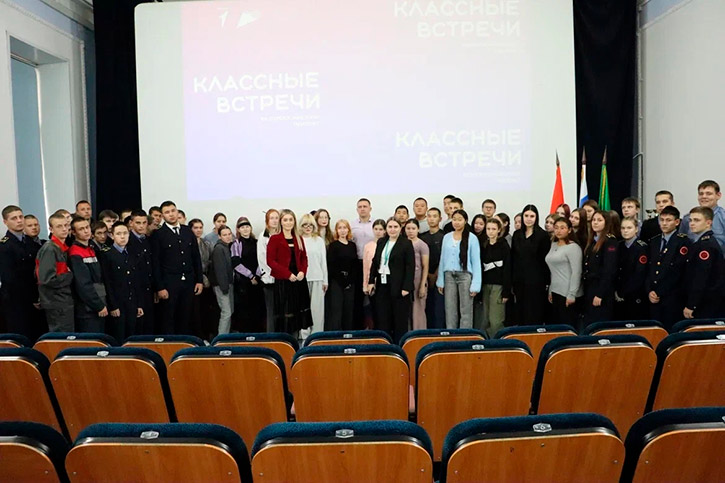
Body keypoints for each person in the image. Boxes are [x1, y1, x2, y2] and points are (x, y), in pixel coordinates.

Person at [151, 201, 203, 334]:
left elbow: (196, 257)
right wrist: (160, 287)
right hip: (169, 283)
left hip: (189, 281)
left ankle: (185, 343)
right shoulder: (158, 235)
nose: (171, 214)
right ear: (162, 216)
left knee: (186, 316)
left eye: (173, 211)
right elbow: (155, 263)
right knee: (169, 317)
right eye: (167, 212)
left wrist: (199, 280)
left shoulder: (187, 231)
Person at [368, 217, 415, 342]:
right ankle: (385, 344)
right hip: (382, 283)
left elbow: (410, 267)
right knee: (383, 317)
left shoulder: (406, 243)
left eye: (395, 227)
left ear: (400, 228)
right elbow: (375, 262)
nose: (392, 229)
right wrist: (371, 281)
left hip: (399, 286)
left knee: (399, 319)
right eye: (390, 227)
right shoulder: (381, 242)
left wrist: (407, 287)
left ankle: (399, 345)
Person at [267, 209, 313, 336]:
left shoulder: (298, 238)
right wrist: (287, 274)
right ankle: (286, 341)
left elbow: (304, 258)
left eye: (291, 220)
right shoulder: (275, 239)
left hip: (298, 280)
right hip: (284, 281)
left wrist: (303, 271)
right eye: (285, 220)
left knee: (299, 315)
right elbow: (270, 261)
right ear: (281, 222)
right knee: (287, 316)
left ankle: (297, 341)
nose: (288, 222)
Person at [0, 205, 43, 339]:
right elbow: (9, 278)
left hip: (35, 298)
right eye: (14, 218)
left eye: (21, 217)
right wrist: (31, 297)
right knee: (22, 336)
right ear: (5, 222)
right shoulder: (5, 246)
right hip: (16, 301)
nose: (19, 220)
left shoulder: (30, 242)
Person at [646, 206, 690, 329]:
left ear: (677, 222)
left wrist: (659, 292)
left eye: (668, 220)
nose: (664, 223)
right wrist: (649, 290)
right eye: (662, 220)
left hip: (672, 296)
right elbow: (650, 269)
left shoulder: (683, 242)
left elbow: (677, 271)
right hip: (653, 296)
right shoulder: (654, 241)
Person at [437, 209, 481, 329]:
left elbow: (476, 262)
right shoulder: (447, 237)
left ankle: (465, 335)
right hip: (449, 275)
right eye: (454, 219)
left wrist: (476, 285)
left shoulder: (472, 238)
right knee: (450, 309)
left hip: (465, 275)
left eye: (460, 220)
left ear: (465, 221)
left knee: (466, 309)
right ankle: (451, 335)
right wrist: (440, 280)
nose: (456, 222)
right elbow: (442, 259)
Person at [100, 222, 143, 341]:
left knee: (132, 336)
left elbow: (136, 281)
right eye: (119, 234)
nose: (122, 237)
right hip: (118, 303)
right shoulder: (107, 255)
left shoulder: (132, 254)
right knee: (119, 335)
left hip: (132, 302)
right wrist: (113, 306)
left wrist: (139, 304)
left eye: (125, 233)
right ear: (112, 236)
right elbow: (108, 282)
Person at [511, 204, 550, 325]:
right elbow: (514, 258)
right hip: (519, 281)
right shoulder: (517, 234)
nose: (529, 219)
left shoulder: (543, 235)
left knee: (534, 312)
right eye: (526, 216)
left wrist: (546, 282)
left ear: (536, 217)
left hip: (536, 282)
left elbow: (545, 261)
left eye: (532, 216)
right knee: (520, 312)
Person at [683, 207, 724, 318]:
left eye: (697, 220)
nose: (692, 223)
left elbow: (701, 277)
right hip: (705, 300)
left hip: (705, 302)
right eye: (690, 220)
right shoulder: (701, 243)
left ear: (708, 223)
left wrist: (692, 304)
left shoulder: (706, 245)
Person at [68, 216, 108, 333]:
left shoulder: (90, 248)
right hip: (88, 309)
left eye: (87, 227)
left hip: (99, 300)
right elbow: (83, 284)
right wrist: (98, 305)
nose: (86, 231)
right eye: (81, 229)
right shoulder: (75, 252)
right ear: (74, 232)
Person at [36, 212, 74, 332]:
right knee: (62, 336)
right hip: (56, 302)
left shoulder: (62, 247)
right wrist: (69, 275)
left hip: (63, 300)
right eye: (59, 226)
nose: (64, 229)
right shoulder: (50, 249)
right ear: (51, 229)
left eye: (66, 225)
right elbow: (46, 279)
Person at [582, 211, 619, 328]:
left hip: (601, 290)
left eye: (599, 220)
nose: (595, 223)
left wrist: (600, 294)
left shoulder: (610, 241)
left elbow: (609, 270)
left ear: (606, 223)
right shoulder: (592, 241)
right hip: (590, 287)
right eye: (594, 220)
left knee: (599, 325)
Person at [545, 216, 582, 328]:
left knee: (567, 326)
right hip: (555, 291)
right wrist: (551, 290)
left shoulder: (573, 247)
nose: (558, 231)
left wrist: (572, 294)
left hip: (567, 293)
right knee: (557, 326)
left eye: (562, 228)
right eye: (556, 228)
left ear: (569, 230)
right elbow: (553, 271)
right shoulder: (553, 244)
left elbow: (576, 272)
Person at [230, 217, 265, 333]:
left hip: (257, 280)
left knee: (258, 309)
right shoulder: (236, 244)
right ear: (238, 230)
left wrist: (257, 276)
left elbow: (261, 260)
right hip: (243, 282)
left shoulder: (257, 242)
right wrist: (250, 276)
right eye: (242, 227)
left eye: (247, 226)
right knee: (244, 310)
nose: (245, 229)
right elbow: (236, 263)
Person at [479, 218, 511, 336]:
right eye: (488, 229)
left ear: (499, 230)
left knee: (496, 319)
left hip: (498, 285)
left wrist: (506, 291)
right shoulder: (484, 245)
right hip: (486, 284)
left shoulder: (503, 245)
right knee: (485, 317)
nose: (490, 231)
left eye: (493, 229)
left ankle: (497, 341)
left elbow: (507, 268)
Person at [615, 216, 649, 321]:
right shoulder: (619, 246)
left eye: (629, 228)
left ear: (636, 229)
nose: (625, 231)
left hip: (635, 294)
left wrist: (624, 292)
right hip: (618, 294)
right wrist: (617, 291)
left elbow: (639, 274)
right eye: (623, 228)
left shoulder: (641, 247)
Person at [326, 219, 357, 331]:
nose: (342, 230)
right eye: (340, 228)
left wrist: (349, 280)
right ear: (336, 231)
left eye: (345, 228)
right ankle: (336, 334)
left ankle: (348, 334)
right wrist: (342, 281)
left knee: (348, 310)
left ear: (348, 230)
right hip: (337, 281)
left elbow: (354, 264)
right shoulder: (333, 245)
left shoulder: (352, 245)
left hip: (350, 282)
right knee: (337, 310)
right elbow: (332, 265)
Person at [127, 210, 154, 334]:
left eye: (144, 223)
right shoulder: (128, 241)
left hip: (148, 287)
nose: (141, 226)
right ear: (131, 223)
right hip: (135, 289)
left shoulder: (148, 240)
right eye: (138, 223)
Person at [299, 214, 327, 335]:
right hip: (302, 279)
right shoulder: (298, 240)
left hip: (317, 278)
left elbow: (323, 261)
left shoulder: (319, 241)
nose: (308, 227)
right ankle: (304, 335)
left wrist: (325, 280)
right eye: (305, 225)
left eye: (310, 225)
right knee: (303, 309)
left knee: (317, 310)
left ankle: (317, 335)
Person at [190, 218, 216, 340]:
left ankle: (207, 335)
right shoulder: (188, 244)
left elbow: (211, 261)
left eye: (200, 227)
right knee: (196, 311)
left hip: (207, 280)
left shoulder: (206, 244)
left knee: (206, 309)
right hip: (194, 280)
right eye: (195, 228)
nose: (198, 230)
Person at [680, 180, 725, 252]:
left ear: (718, 195)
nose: (704, 197)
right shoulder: (687, 218)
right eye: (701, 194)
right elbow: (681, 242)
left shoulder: (723, 217)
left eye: (708, 194)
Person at [350, 198, 374, 329]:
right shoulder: (352, 225)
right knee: (358, 297)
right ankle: (358, 328)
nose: (362, 209)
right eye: (360, 207)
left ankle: (374, 327)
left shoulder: (376, 224)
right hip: (357, 263)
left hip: (373, 264)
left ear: (370, 208)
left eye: (365, 206)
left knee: (373, 296)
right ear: (357, 209)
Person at [420, 208, 445, 328]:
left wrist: (435, 274)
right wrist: (427, 275)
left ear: (440, 219)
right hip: (424, 277)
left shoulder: (444, 236)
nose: (431, 219)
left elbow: (444, 257)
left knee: (439, 308)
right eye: (429, 216)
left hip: (439, 277)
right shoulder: (422, 237)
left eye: (435, 216)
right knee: (427, 308)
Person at [258, 209, 280, 332]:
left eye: (276, 218)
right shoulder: (263, 236)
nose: (274, 221)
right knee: (271, 311)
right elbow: (263, 259)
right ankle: (271, 337)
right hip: (270, 279)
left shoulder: (282, 234)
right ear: (267, 221)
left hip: (283, 278)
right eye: (272, 218)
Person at [210, 225, 235, 335]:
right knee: (226, 312)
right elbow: (220, 270)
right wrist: (224, 287)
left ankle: (226, 335)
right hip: (222, 285)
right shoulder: (219, 249)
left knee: (229, 311)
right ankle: (221, 337)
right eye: (225, 235)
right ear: (219, 236)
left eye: (229, 234)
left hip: (228, 284)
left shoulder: (227, 247)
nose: (228, 236)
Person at [362, 219, 386, 328]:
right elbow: (365, 266)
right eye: (376, 229)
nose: (378, 232)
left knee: (383, 310)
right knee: (372, 309)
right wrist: (365, 284)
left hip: (383, 281)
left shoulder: (387, 244)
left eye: (380, 229)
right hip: (371, 282)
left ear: (384, 231)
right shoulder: (368, 246)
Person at [405, 219, 429, 330]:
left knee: (418, 310)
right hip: (405, 280)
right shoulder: (402, 243)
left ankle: (419, 333)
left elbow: (425, 266)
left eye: (413, 228)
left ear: (418, 229)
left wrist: (422, 285)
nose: (411, 231)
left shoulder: (422, 245)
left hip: (418, 280)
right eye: (408, 228)